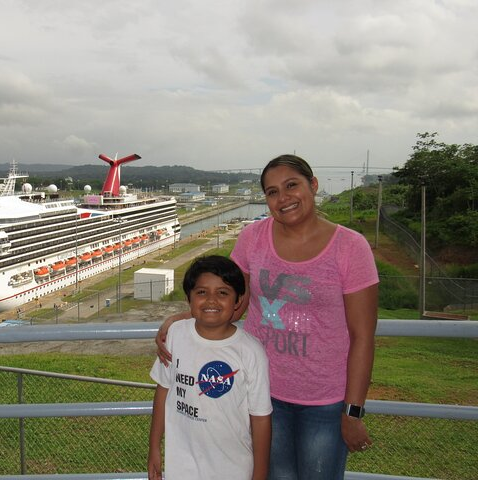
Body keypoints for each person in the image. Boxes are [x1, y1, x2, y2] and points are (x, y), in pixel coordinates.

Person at [157, 154, 379, 480]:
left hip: (325, 402)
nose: (283, 198)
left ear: (313, 185)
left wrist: (353, 410)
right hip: (263, 395)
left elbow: (363, 336)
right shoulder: (253, 238)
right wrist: (179, 320)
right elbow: (233, 299)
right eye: (272, 192)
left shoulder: (350, 247)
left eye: (292, 186)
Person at [148, 255, 272, 480]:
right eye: (201, 292)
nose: (211, 301)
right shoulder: (176, 334)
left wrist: (260, 475)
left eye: (223, 293)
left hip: (233, 469)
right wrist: (154, 448)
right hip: (181, 468)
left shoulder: (251, 351)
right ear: (189, 298)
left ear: (238, 301)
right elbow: (163, 390)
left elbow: (261, 418)